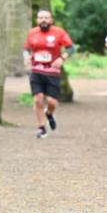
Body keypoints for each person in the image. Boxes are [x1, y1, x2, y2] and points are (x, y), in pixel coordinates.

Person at [23, 9, 74, 139]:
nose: (43, 20)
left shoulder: (59, 32)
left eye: (46, 18)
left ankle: (49, 113)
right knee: (37, 99)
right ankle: (41, 128)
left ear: (51, 20)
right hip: (36, 70)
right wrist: (26, 57)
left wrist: (62, 58)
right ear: (37, 20)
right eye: (41, 18)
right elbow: (26, 49)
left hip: (52, 72)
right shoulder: (32, 33)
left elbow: (70, 47)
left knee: (52, 101)